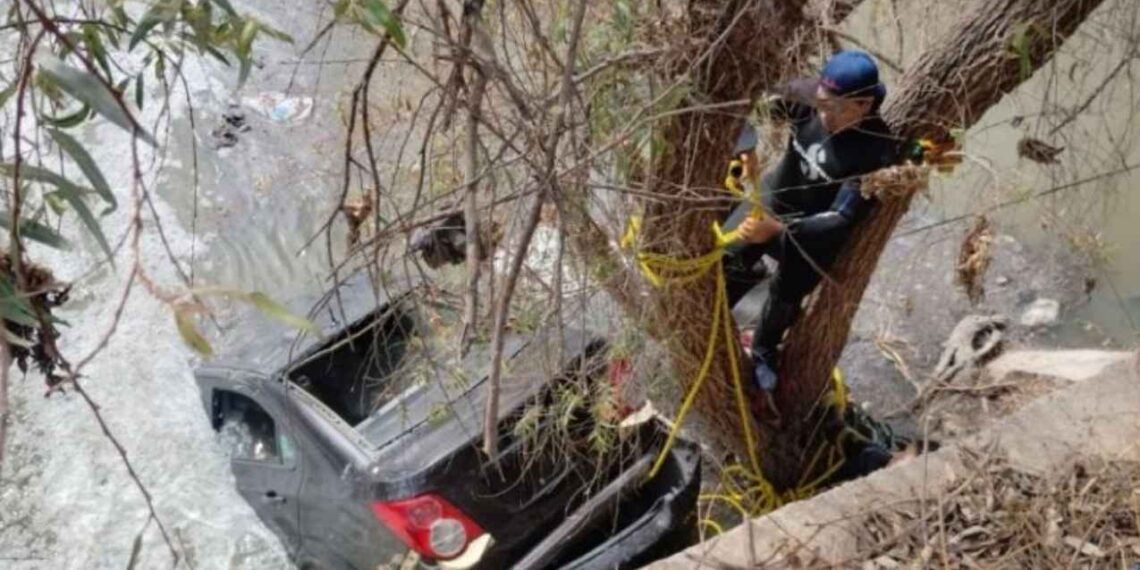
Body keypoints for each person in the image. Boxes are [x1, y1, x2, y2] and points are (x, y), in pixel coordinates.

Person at [722, 50, 902, 393]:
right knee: (727, 257)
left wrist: (779, 231)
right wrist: (746, 148)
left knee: (786, 293)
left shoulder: (875, 151)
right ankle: (721, 311)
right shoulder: (806, 97)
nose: (822, 115)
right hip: (774, 199)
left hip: (810, 232)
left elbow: (841, 218)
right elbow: (748, 105)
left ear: (863, 105)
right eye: (820, 103)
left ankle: (762, 352)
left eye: (834, 109)